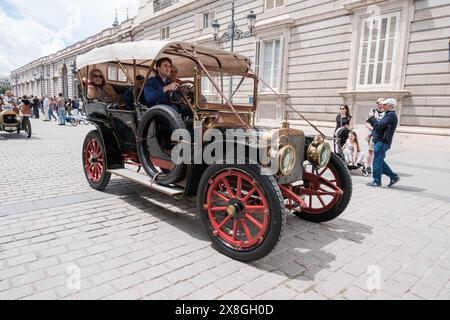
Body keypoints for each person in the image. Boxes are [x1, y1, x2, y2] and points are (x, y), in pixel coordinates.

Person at [366, 98, 400, 188]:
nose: (382, 105)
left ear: (390, 106)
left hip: (382, 141)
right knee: (379, 161)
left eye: (385, 104)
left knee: (377, 161)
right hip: (380, 141)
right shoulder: (388, 114)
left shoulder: (390, 115)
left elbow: (380, 126)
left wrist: (372, 118)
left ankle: (376, 181)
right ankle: (393, 177)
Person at [365, 98, 385, 174]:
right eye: (377, 103)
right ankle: (368, 166)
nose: (379, 104)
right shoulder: (373, 112)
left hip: (383, 136)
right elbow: (367, 123)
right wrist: (373, 129)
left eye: (380, 103)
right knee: (371, 151)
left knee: (380, 152)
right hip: (373, 135)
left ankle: (379, 167)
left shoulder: (387, 113)